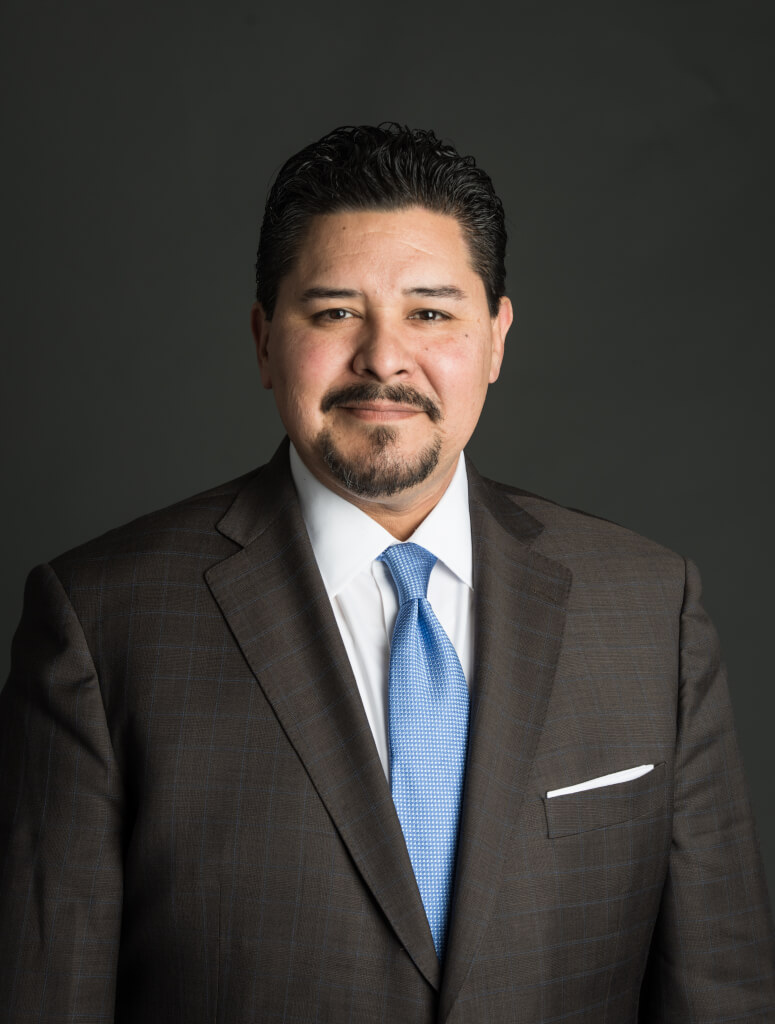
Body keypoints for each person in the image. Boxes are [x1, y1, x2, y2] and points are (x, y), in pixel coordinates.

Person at [1, 123, 773, 1023]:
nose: (383, 357)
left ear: (495, 338)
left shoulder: (648, 607)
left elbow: (721, 992)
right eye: (334, 312)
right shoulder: (101, 621)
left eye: (430, 314)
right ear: (263, 339)